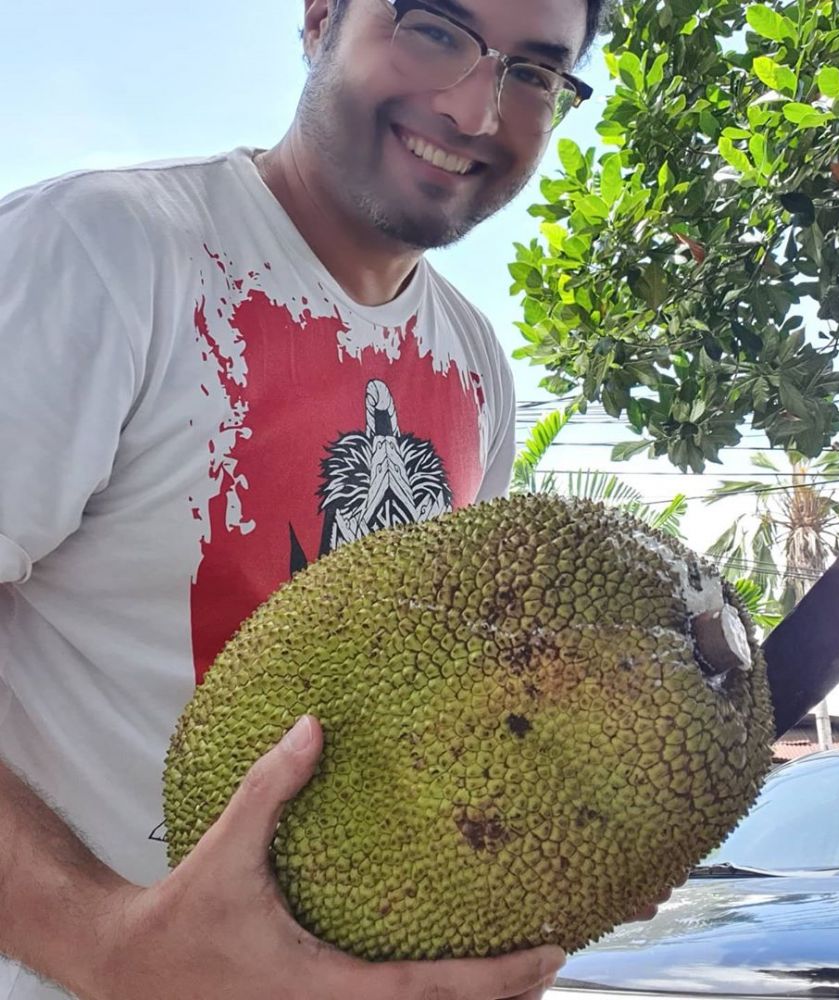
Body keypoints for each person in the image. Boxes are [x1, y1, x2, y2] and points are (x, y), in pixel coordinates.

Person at [0, 0, 667, 997]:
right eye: (436, 29)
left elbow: (421, 715)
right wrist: (110, 942)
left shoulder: (476, 364)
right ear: (319, 20)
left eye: (532, 74)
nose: (477, 112)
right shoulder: (106, 251)